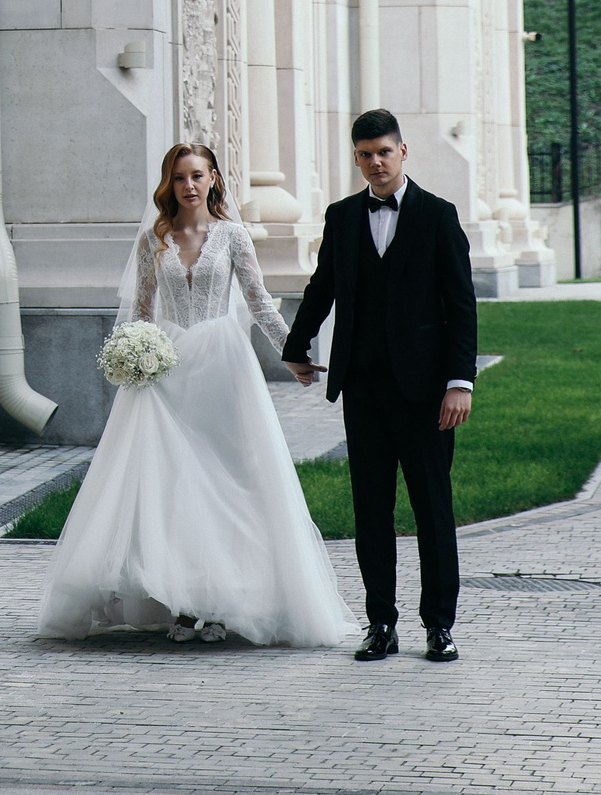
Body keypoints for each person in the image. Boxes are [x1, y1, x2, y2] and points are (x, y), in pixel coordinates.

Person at [38, 142, 352, 648]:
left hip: (222, 369)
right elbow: (141, 309)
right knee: (175, 485)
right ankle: (185, 606)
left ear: (213, 180)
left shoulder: (231, 236)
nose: (189, 185)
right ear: (170, 183)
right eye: (180, 176)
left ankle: (226, 604)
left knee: (228, 479)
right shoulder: (153, 240)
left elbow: (258, 301)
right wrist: (132, 355)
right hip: (166, 372)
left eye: (198, 175)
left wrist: (292, 353)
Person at [280, 109, 478, 663]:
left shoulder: (439, 215)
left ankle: (439, 626)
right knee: (371, 509)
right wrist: (296, 348)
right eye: (365, 155)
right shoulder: (342, 216)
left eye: (384, 152)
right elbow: (323, 287)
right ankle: (380, 624)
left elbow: (461, 306)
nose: (375, 163)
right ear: (356, 157)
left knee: (432, 508)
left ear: (403, 151)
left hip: (427, 391)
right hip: (363, 387)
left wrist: (460, 382)